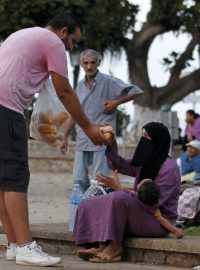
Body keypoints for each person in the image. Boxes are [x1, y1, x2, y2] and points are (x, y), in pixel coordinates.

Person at [0, 14, 106, 267]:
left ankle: (14, 244)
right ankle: (26, 247)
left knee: (3, 180)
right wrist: (88, 126)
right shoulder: (52, 42)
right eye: (73, 41)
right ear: (64, 32)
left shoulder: (22, 34)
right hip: (6, 109)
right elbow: (65, 91)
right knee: (15, 178)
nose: (71, 47)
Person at [73, 122, 181, 263]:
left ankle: (115, 248)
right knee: (88, 203)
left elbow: (152, 203)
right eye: (142, 135)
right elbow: (119, 164)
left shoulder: (169, 169)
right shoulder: (146, 161)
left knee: (119, 198)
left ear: (158, 141)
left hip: (158, 221)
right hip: (141, 212)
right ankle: (96, 244)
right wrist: (111, 143)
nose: (142, 140)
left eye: (146, 136)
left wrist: (120, 187)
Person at [60, 49, 143, 192]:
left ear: (98, 63)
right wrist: (65, 137)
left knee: (100, 180)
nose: (89, 66)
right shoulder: (79, 86)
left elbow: (137, 91)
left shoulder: (109, 81)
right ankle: (88, 201)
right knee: (78, 179)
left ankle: (97, 204)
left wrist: (116, 102)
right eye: (85, 63)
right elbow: (74, 114)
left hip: (102, 139)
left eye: (92, 62)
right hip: (82, 138)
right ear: (81, 64)